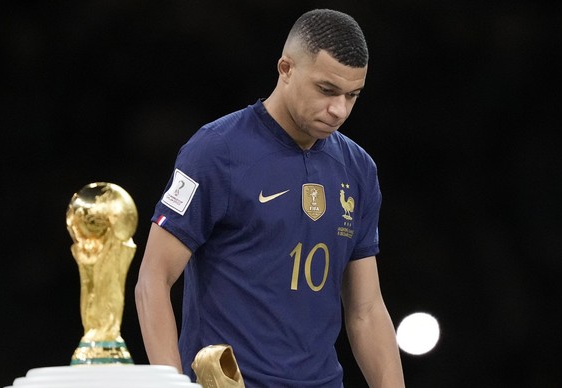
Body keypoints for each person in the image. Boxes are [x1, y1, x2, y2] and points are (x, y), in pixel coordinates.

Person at [135, 8, 405, 387]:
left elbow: (366, 310)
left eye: (352, 95)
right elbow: (153, 278)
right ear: (286, 68)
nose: (339, 110)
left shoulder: (358, 169)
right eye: (327, 90)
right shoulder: (216, 151)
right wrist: (173, 384)